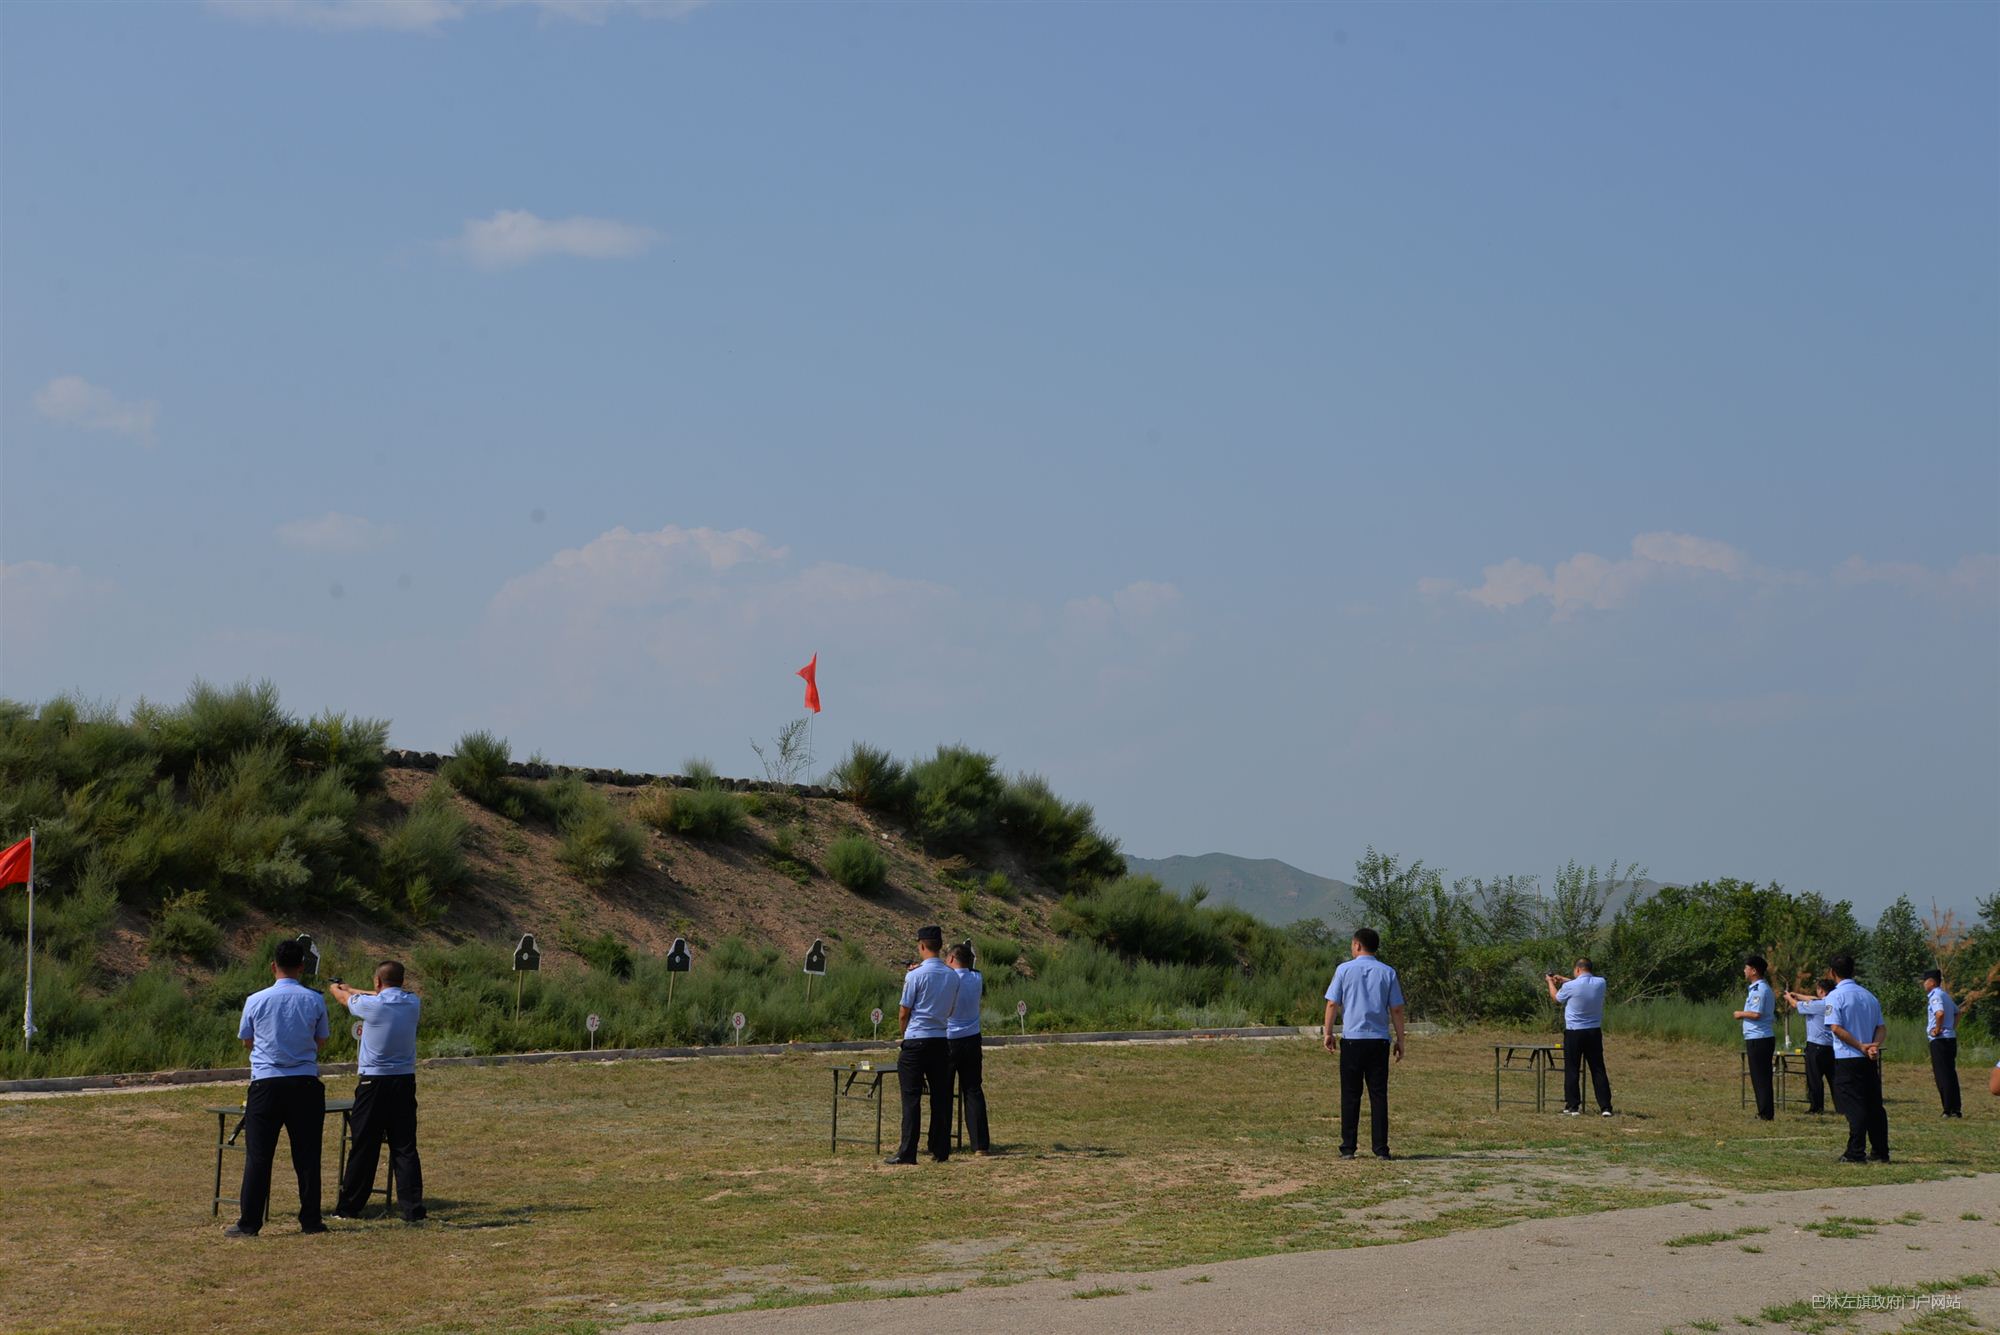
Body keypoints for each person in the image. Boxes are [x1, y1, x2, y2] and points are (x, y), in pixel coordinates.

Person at [227, 938, 330, 1237]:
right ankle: (311, 1221)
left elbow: (247, 1040)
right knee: (308, 1156)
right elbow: (320, 1040)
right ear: (302, 967)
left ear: (273, 966)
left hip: (266, 1084)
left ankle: (249, 1224)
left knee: (258, 1157)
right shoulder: (314, 1000)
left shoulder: (256, 1000)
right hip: (305, 1083)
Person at [329, 961, 427, 1221]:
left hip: (374, 1083)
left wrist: (336, 988)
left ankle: (349, 1207)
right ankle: (413, 1209)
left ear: (377, 982)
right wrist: (353, 988)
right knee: (405, 1147)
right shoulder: (411, 1002)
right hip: (404, 1082)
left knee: (364, 1145)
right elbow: (381, 993)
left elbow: (342, 999)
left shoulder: (372, 1005)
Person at [1322, 927, 1406, 1160]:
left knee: (1350, 1094)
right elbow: (1396, 1009)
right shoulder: (1388, 972)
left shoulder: (1344, 970)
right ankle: (1381, 1149)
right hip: (1379, 1041)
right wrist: (1400, 1039)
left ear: (1357, 945)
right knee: (1378, 1095)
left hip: (1352, 1041)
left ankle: (1348, 1147)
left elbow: (1332, 1004)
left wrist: (1327, 1033)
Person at [887, 925, 959, 1165]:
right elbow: (950, 1009)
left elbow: (903, 1011)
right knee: (941, 1098)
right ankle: (940, 1149)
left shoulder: (914, 975)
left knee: (911, 1098)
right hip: (941, 1040)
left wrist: (904, 1034)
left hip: (916, 1040)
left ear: (921, 946)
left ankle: (908, 1151)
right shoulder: (951, 975)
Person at [1822, 954, 1889, 1163]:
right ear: (1854, 971)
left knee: (1854, 1105)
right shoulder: (1869, 996)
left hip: (1848, 1057)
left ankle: (1855, 1151)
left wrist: (1860, 1045)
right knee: (1874, 1105)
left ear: (1832, 973)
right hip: (1868, 1058)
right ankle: (1880, 1151)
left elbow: (1835, 1027)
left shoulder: (1835, 997)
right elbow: (1881, 1027)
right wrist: (1873, 1045)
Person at [1545, 958, 1613, 1117]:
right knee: (1598, 1069)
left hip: (1574, 1032)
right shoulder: (1601, 982)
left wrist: (1550, 982)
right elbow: (1584, 985)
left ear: (1577, 970)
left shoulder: (1570, 986)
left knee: (1572, 1069)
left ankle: (1573, 1105)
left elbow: (1556, 998)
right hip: (1594, 1032)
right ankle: (1606, 1107)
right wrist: (1565, 980)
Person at [945, 942, 992, 1156]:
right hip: (972, 1039)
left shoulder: (947, 979)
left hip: (949, 1040)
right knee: (973, 1090)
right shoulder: (977, 978)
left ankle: (941, 1140)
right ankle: (980, 1144)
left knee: (943, 1092)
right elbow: (971, 968)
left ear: (953, 959)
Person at [1734, 954, 1777, 1120]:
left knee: (1761, 1077)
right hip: (1756, 1038)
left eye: (1746, 967)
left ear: (1754, 970)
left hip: (1759, 1038)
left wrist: (1740, 1014)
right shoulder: (1756, 988)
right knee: (1759, 1076)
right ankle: (1764, 1110)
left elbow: (1756, 1013)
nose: (1744, 970)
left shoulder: (1760, 990)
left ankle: (1765, 1113)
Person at [1782, 978, 1834, 1115]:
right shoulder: (1831, 1002)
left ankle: (1816, 1107)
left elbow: (1795, 1005)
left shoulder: (1817, 1006)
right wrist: (1797, 995)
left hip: (1816, 1046)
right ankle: (1841, 1106)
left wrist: (1789, 997)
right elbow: (1814, 998)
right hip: (1831, 1046)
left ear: (1821, 990)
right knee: (1834, 1079)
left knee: (1814, 1078)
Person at [1922, 968, 1961, 1118]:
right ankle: (1956, 1108)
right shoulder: (1945, 995)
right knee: (1951, 1073)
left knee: (1942, 1074)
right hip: (1950, 1038)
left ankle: (1947, 1108)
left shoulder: (1935, 996)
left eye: (1925, 981)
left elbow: (1940, 1013)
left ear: (1931, 982)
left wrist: (1938, 1029)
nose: (1924, 985)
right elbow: (1958, 1012)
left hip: (1940, 1040)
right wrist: (1950, 1028)